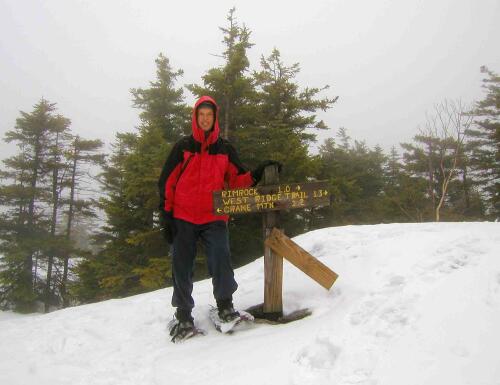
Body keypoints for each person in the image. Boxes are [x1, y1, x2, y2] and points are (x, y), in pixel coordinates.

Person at [158, 95, 280, 341]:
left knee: (221, 259)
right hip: (183, 216)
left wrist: (256, 173)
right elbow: (167, 183)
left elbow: (237, 180)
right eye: (201, 115)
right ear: (196, 117)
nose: (205, 119)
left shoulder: (224, 149)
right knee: (182, 265)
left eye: (209, 115)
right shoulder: (183, 147)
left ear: (214, 119)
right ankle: (183, 314)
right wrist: (166, 216)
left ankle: (225, 305)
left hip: (215, 216)